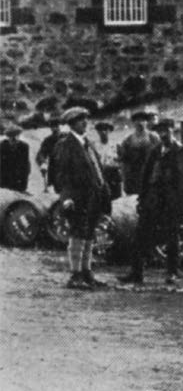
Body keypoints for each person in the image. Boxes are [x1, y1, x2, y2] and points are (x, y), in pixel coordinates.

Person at [119, 118, 183, 285]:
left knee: (172, 237)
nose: (163, 134)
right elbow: (145, 177)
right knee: (140, 234)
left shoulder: (180, 151)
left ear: (172, 130)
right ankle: (136, 272)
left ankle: (172, 273)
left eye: (166, 131)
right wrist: (142, 199)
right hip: (152, 200)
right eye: (160, 131)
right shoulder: (154, 151)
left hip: (171, 202)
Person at [53, 107, 112, 290]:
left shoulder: (88, 144)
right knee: (78, 233)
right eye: (80, 120)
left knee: (89, 234)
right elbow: (61, 175)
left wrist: (104, 192)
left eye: (86, 119)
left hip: (93, 196)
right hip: (77, 197)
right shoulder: (65, 145)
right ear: (72, 124)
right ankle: (75, 275)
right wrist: (66, 198)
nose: (85, 123)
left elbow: (98, 170)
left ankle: (87, 272)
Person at [117, 111, 160, 195]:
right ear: (133, 123)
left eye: (142, 120)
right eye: (137, 120)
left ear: (146, 122)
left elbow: (160, 155)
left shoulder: (153, 137)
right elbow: (124, 161)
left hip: (150, 173)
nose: (140, 123)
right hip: (135, 176)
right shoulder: (128, 139)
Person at [92, 121, 123, 201]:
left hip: (114, 174)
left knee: (116, 199)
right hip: (101, 175)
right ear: (98, 132)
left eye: (105, 129)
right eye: (101, 130)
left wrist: (117, 165)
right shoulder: (94, 146)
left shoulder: (116, 144)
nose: (103, 132)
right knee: (103, 199)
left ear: (109, 131)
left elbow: (123, 160)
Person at [36, 116, 63, 191]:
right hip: (55, 169)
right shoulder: (48, 140)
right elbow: (41, 153)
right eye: (52, 127)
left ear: (59, 126)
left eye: (56, 126)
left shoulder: (67, 137)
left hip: (68, 168)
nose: (55, 129)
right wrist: (43, 163)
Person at [0, 124, 30, 192]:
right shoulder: (2, 146)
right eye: (11, 136)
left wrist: (23, 185)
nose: (14, 138)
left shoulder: (24, 147)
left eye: (16, 135)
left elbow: (25, 166)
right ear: (8, 136)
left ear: (19, 135)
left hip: (18, 179)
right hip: (4, 180)